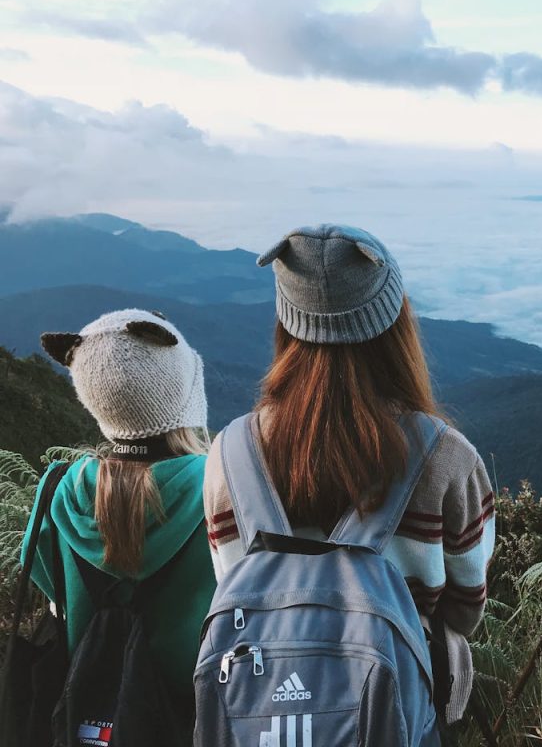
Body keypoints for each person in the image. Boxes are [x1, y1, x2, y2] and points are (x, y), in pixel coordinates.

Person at [203, 224, 494, 734]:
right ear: (394, 323)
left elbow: (231, 587)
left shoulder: (229, 454)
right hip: (398, 698)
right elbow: (467, 611)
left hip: (259, 703)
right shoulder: (446, 457)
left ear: (285, 324)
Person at [26, 309, 216, 734]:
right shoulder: (220, 487)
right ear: (185, 396)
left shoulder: (57, 489)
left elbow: (49, 585)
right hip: (193, 715)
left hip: (88, 709)